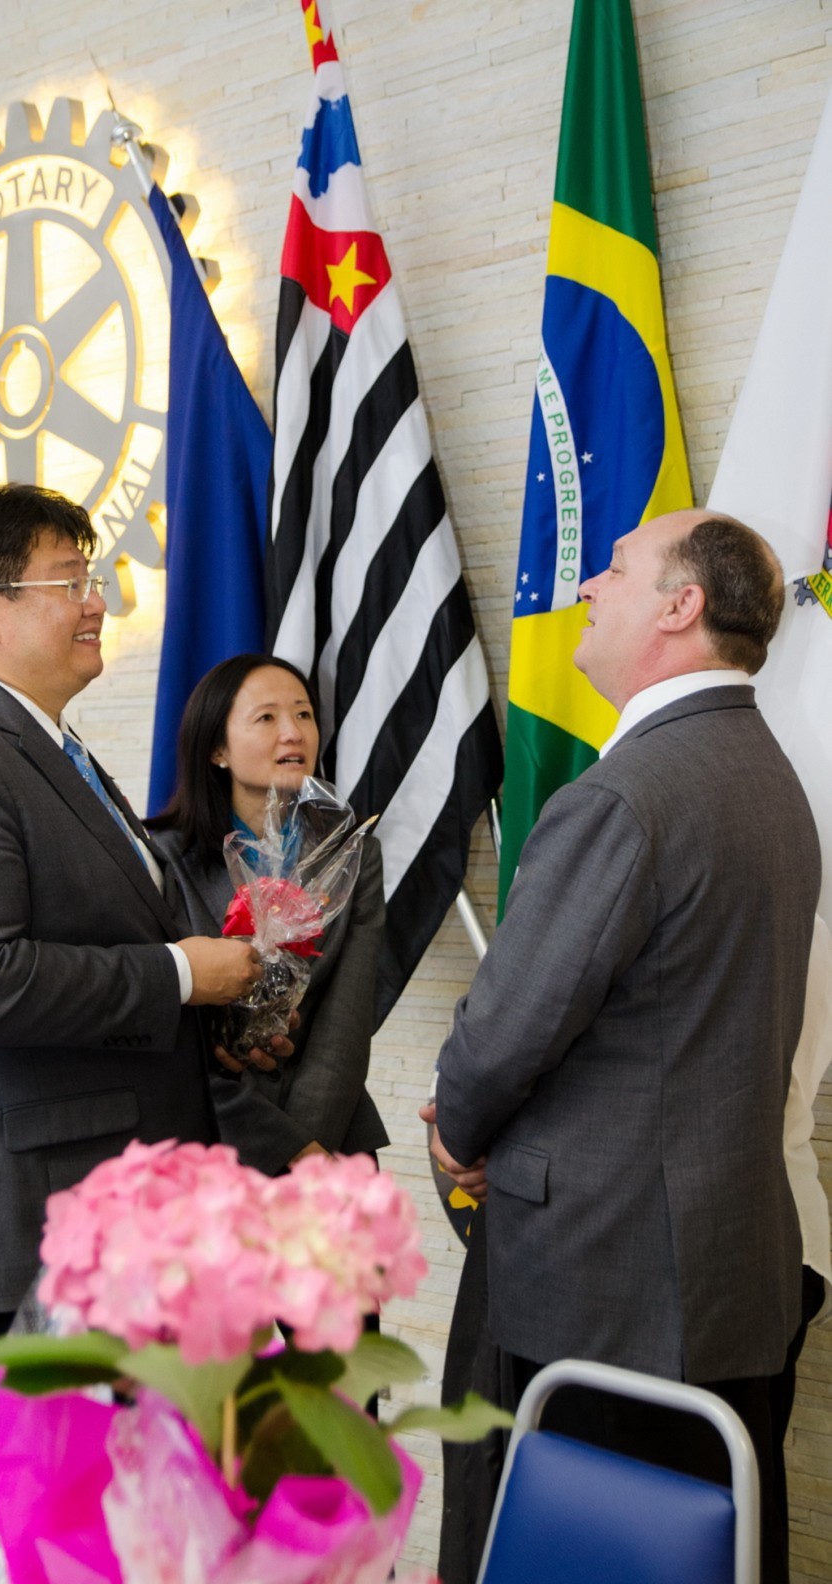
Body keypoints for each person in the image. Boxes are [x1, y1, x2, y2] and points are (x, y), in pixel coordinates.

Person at [427, 509, 820, 1584]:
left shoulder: (624, 794)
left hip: (611, 1292)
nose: (587, 588)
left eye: (615, 569)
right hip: (720, 1272)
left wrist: (457, 1133)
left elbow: (502, 1035)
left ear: (681, 606)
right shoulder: (768, 777)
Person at [0, 485, 264, 1338]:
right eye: (69, 582)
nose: (96, 603)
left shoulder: (55, 752)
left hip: (122, 1224)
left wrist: (212, 1020)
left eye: (93, 580)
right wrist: (180, 976)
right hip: (30, 1236)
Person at [149, 653, 389, 1174]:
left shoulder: (354, 854)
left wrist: (308, 1153)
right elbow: (166, 1024)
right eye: (266, 717)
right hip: (206, 1142)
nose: (293, 733)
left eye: (303, 714)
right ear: (217, 749)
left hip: (331, 1145)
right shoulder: (161, 857)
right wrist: (273, 1145)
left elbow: (346, 1020)